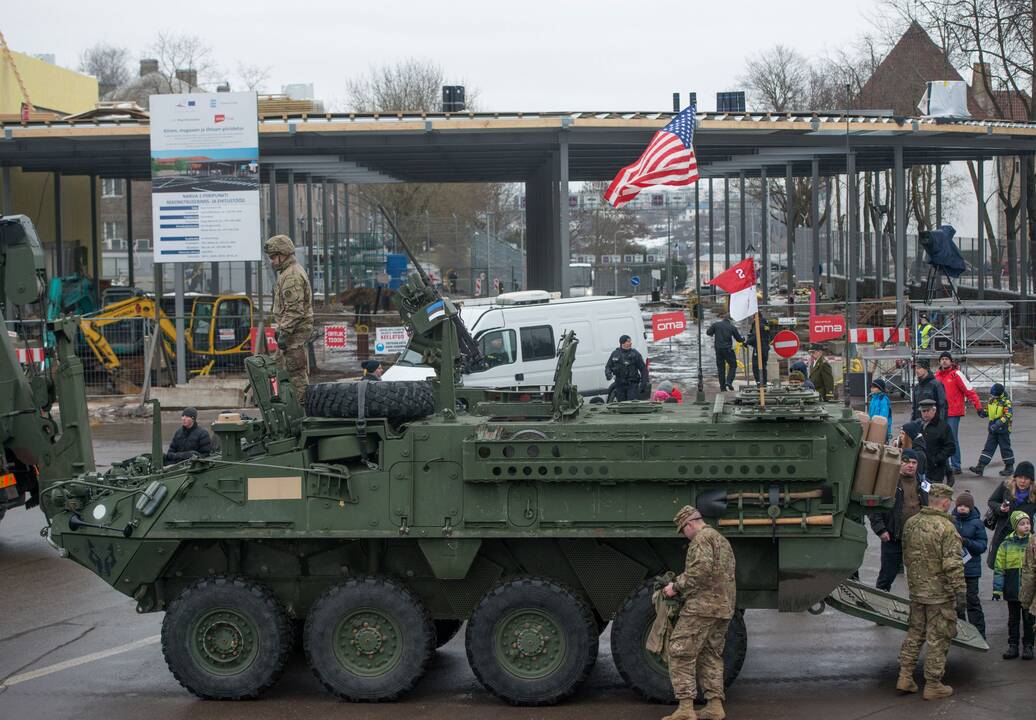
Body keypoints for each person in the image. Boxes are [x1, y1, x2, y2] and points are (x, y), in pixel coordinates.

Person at [662, 505, 736, 720]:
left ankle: (685, 709)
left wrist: (675, 586)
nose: (684, 535)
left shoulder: (701, 539)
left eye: (682, 530)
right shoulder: (721, 540)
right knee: (710, 654)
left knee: (679, 650)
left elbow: (700, 571)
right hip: (723, 608)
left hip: (703, 607)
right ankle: (714, 707)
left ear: (690, 524)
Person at [896, 482, 966, 700]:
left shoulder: (912, 523)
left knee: (915, 633)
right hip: (939, 594)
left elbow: (906, 555)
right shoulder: (946, 528)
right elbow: (953, 564)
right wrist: (961, 591)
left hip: (917, 590)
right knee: (938, 637)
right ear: (945, 502)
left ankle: (905, 677)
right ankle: (933, 684)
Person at [869, 449, 928, 592]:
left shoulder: (924, 484)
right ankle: (880, 601)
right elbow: (874, 509)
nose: (910, 465)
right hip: (892, 537)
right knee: (887, 576)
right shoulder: (889, 482)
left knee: (920, 575)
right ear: (899, 463)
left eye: (914, 463)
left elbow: (930, 507)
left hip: (916, 538)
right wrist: (881, 530)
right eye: (906, 462)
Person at [266, 234, 314, 403]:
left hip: (294, 335)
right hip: (290, 335)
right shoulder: (288, 273)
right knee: (279, 370)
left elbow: (294, 310)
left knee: (296, 376)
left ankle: (302, 409)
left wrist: (284, 333)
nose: (272, 261)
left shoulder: (291, 276)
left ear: (284, 254)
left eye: (274, 257)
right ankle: (286, 406)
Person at [993, 511, 1034, 660]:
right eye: (1022, 524)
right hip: (1012, 589)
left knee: (1029, 619)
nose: (1026, 526)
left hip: (1028, 589)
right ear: (1015, 526)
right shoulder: (1006, 544)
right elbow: (999, 568)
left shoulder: (1033, 542)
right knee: (1013, 619)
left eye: (1028, 523)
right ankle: (1013, 645)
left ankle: (1028, 646)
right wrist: (997, 589)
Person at [935, 352, 982, 476]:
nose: (944, 361)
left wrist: (978, 407)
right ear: (939, 361)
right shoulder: (937, 376)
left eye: (946, 359)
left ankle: (956, 466)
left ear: (951, 361)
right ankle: (944, 465)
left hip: (953, 412)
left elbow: (969, 391)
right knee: (941, 440)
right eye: (942, 359)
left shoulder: (957, 375)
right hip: (940, 413)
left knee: (952, 439)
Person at [985, 462, 1036, 570]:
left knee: (1022, 571)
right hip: (1004, 536)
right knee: (1000, 569)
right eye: (1020, 477)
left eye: (1026, 478)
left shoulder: (1034, 493)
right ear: (1015, 477)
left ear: (1031, 480)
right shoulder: (1005, 486)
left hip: (1024, 539)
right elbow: (992, 501)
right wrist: (1000, 508)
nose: (1022, 481)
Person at [952, 491, 987, 638]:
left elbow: (982, 546)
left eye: (966, 506)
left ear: (971, 508)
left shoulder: (977, 523)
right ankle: (960, 630)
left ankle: (979, 632)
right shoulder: (951, 520)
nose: (962, 508)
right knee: (957, 602)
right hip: (954, 569)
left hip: (971, 569)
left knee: (972, 600)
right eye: (960, 505)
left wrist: (966, 542)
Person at [969, 383, 1014, 477]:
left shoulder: (1006, 401)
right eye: (992, 394)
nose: (992, 396)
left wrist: (998, 424)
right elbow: (988, 411)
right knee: (988, 447)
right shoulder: (992, 400)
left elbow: (1008, 415)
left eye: (994, 394)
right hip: (993, 429)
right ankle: (980, 467)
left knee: (1005, 448)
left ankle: (1009, 467)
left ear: (999, 393)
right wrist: (981, 412)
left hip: (1003, 429)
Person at [918, 399, 956, 487]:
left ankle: (949, 473)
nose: (925, 414)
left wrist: (936, 460)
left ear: (934, 410)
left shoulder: (943, 427)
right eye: (923, 411)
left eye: (928, 411)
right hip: (921, 468)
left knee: (935, 495)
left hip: (936, 470)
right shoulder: (919, 425)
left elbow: (951, 447)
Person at [706, 313, 744, 391]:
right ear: (730, 320)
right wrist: (743, 339)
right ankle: (729, 381)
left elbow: (708, 333)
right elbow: (739, 339)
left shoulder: (716, 325)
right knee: (733, 365)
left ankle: (722, 387)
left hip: (718, 350)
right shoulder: (732, 327)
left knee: (721, 368)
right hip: (728, 350)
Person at [605, 334, 648, 402]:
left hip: (632, 385)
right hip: (619, 385)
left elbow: (643, 369)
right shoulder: (615, 353)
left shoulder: (635, 354)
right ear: (622, 343)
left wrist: (643, 384)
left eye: (630, 341)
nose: (630, 343)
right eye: (628, 341)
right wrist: (608, 374)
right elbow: (608, 366)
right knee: (621, 404)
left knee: (631, 404)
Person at [745, 314, 773, 385]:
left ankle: (758, 382)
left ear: (756, 318)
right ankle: (764, 382)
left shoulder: (757, 325)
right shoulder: (766, 325)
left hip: (758, 349)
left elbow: (754, 336)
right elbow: (769, 335)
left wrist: (746, 342)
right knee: (763, 366)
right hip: (765, 349)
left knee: (755, 366)